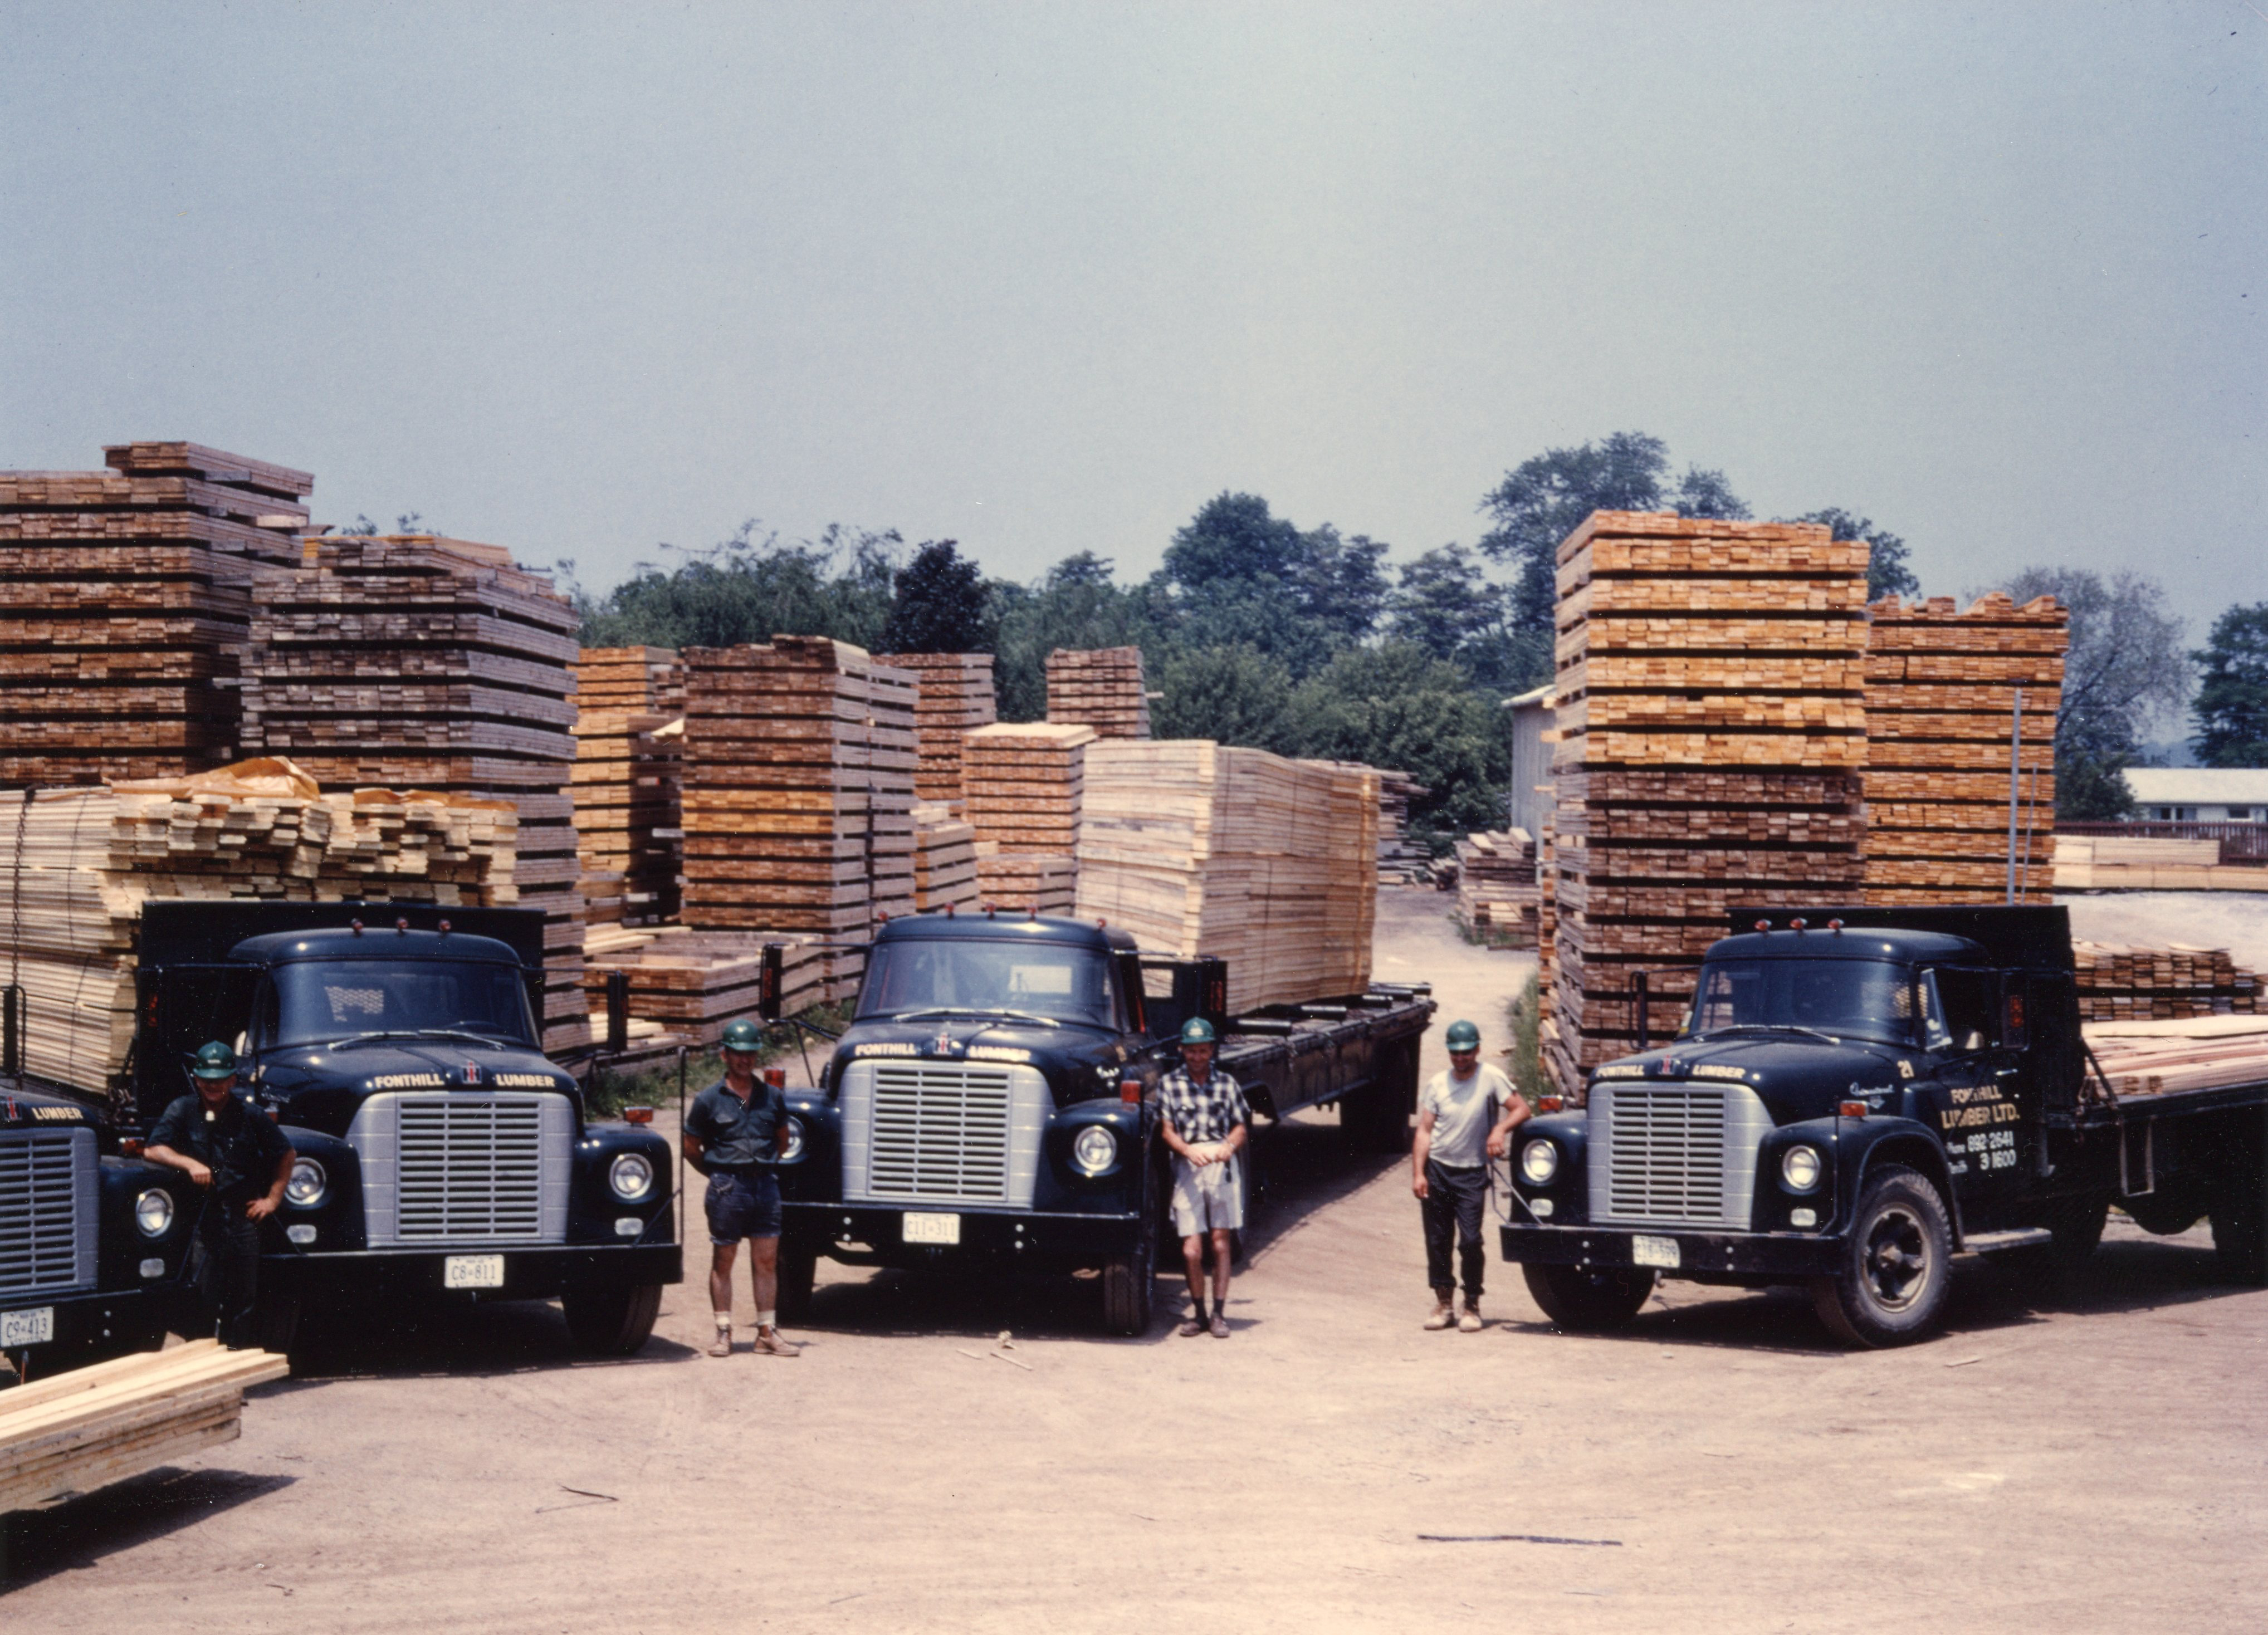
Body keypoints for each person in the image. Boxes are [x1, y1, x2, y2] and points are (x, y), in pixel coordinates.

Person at [144, 1041, 295, 1350]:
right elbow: (153, 1149)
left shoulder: (251, 1115)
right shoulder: (183, 1109)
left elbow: (287, 1154)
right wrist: (190, 1164)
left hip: (243, 1218)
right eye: (207, 1080)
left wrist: (272, 1200)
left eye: (220, 1079)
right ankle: (202, 1363)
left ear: (233, 1080)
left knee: (242, 1301)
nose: (213, 1086)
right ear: (197, 1079)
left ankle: (235, 1362)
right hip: (203, 1218)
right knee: (202, 1298)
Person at [682, 1019, 798, 1358]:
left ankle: (766, 1332)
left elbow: (782, 1141)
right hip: (727, 1189)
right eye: (738, 1053)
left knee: (767, 1261)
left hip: (765, 1187)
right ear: (725, 1055)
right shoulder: (708, 1100)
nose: (745, 1060)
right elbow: (691, 1147)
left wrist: (761, 1167)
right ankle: (723, 1331)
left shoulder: (772, 1097)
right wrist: (720, 1174)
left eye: (750, 1053)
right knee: (724, 1259)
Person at [1411, 1018, 1528, 1332]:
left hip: (1472, 1173)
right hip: (1438, 1170)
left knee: (1471, 1240)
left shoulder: (1491, 1077)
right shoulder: (1437, 1084)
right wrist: (1419, 1173)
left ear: (1477, 1050)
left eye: (1466, 1052)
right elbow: (1424, 1131)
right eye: (1455, 1053)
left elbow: (1521, 1109)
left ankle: (1472, 1303)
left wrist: (1499, 1130)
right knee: (1438, 1240)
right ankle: (1444, 1303)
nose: (1461, 1058)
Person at [1157, 1017, 1250, 1339]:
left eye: (1203, 1050)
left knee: (1220, 1242)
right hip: (1188, 1164)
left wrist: (1229, 1147)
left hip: (1220, 1163)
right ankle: (1198, 1314)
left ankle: (1218, 1314)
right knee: (1191, 1250)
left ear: (1212, 1050)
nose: (1197, 1057)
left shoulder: (1227, 1084)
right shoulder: (1169, 1084)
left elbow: (1241, 1127)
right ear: (1182, 1050)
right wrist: (1186, 1150)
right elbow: (1167, 1131)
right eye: (1191, 1051)